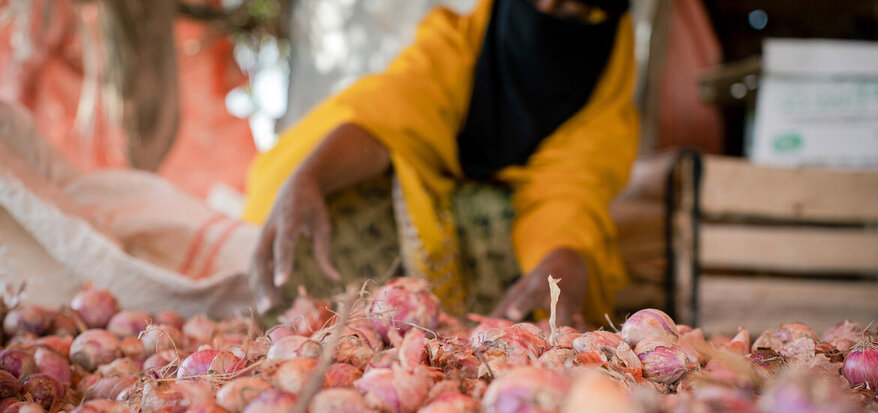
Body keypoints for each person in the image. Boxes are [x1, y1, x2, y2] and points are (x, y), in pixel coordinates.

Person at [245, 0, 638, 329]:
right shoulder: (453, 47)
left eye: (580, 12)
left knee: (526, 237)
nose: (550, 19)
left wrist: (563, 260)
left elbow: (571, 191)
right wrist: (311, 176)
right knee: (335, 175)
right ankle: (312, 321)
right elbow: (395, 108)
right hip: (381, 250)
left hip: (498, 288)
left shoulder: (602, 120)